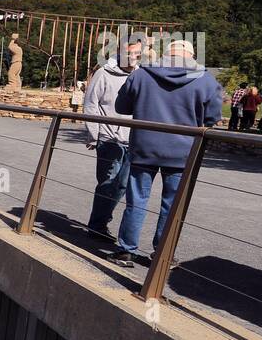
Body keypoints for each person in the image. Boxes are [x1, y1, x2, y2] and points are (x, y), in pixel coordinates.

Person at [109, 39, 222, 268]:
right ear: (190, 55)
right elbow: (212, 118)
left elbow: (121, 108)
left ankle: (125, 251)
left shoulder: (141, 74)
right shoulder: (206, 79)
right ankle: (163, 254)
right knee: (171, 205)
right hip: (182, 151)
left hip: (144, 146)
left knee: (136, 200)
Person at [82, 41, 139, 241]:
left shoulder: (140, 75)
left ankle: (102, 222)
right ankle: (96, 226)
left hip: (132, 140)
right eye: (132, 53)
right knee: (107, 182)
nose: (135, 58)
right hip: (108, 138)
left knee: (122, 185)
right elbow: (90, 104)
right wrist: (94, 135)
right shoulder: (103, 73)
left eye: (139, 54)